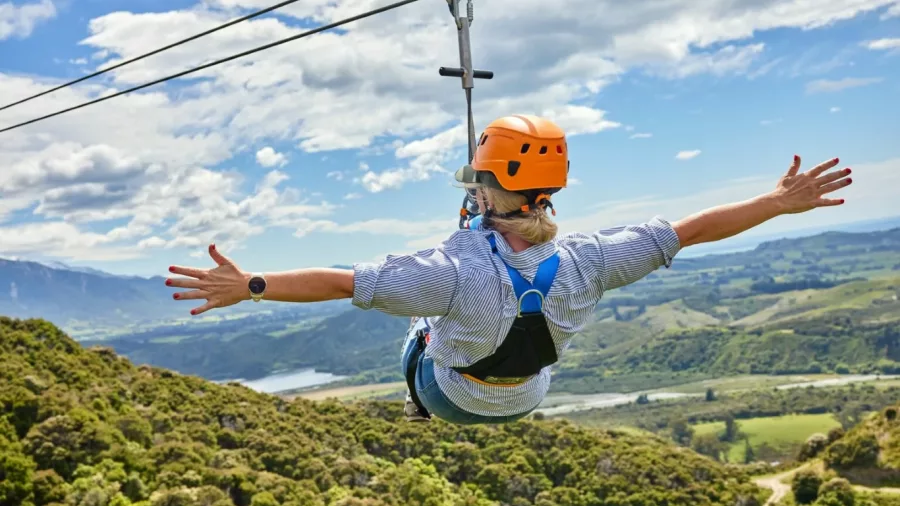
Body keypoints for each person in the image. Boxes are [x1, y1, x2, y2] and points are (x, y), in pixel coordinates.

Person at [164, 114, 853, 424]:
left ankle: (415, 393)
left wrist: (250, 285)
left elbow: (345, 281)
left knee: (415, 326)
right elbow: (694, 229)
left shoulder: (450, 269)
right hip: (528, 396)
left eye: (478, 185)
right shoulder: (591, 256)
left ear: (490, 192)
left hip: (450, 399)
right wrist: (775, 201)